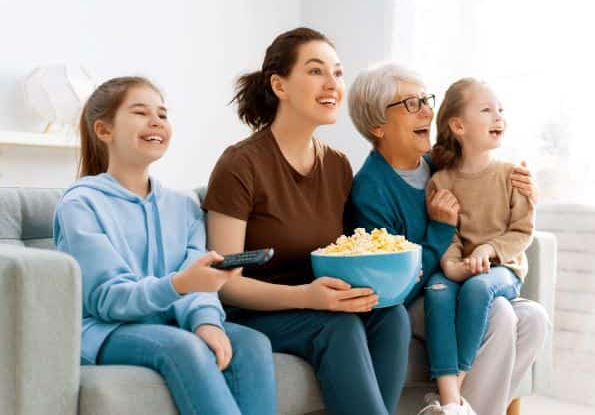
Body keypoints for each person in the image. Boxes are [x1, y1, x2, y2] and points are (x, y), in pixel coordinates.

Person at [203, 28, 411, 415]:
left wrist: (394, 273)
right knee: (338, 327)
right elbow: (225, 284)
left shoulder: (337, 165)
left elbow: (351, 252)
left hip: (318, 303)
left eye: (337, 72)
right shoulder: (240, 165)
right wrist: (305, 297)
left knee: (391, 317)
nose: (332, 84)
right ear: (279, 85)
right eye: (316, 71)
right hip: (254, 313)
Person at [53, 77, 276, 415]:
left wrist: (206, 322)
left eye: (162, 114)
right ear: (104, 130)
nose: (156, 121)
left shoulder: (183, 205)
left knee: (252, 343)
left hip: (168, 321)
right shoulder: (80, 204)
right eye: (140, 112)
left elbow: (200, 285)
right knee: (184, 347)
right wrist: (179, 284)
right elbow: (106, 298)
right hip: (106, 328)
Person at [346, 63, 551, 415]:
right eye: (411, 104)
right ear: (378, 125)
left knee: (533, 318)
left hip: (467, 281)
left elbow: (486, 186)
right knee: (500, 314)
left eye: (426, 99)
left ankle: (451, 408)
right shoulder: (371, 192)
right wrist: (439, 232)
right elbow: (395, 287)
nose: (427, 110)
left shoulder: (436, 161)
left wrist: (527, 191)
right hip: (415, 299)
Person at [416, 77, 534, 414]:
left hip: (502, 269)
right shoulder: (441, 181)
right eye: (486, 110)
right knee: (438, 291)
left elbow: (522, 231)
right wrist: (452, 265)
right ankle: (450, 399)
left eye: (500, 110)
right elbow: (447, 234)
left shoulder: (513, 175)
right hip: (460, 268)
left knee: (477, 290)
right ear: (458, 125)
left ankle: (454, 399)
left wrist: (489, 251)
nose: (498, 117)